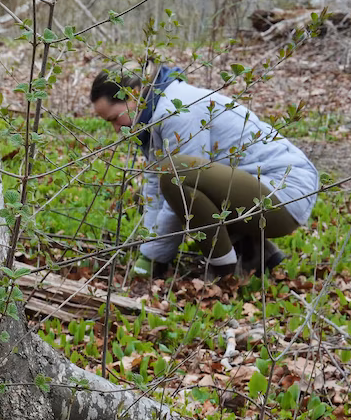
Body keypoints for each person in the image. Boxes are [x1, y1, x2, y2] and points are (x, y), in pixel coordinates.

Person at [89, 67, 319, 281]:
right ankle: (258, 254)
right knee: (154, 189)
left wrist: (153, 258)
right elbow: (154, 190)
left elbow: (179, 181)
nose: (116, 129)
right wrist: (148, 249)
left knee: (176, 175)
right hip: (261, 190)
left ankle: (224, 270)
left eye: (115, 118)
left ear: (134, 94)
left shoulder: (176, 111)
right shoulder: (153, 114)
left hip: (284, 194)